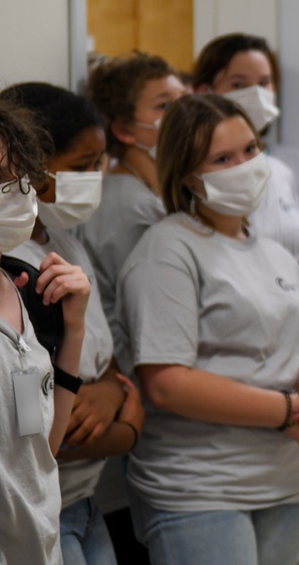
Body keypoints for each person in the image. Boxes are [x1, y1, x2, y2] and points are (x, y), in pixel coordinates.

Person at [116, 93, 299, 565]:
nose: (244, 165)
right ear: (187, 175)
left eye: (250, 150)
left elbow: (298, 363)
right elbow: (167, 384)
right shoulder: (169, 249)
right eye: (223, 158)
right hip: (200, 489)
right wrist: (287, 412)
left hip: (282, 481)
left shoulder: (274, 254)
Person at [3, 83, 145, 565]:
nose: (95, 177)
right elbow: (38, 436)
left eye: (99, 163)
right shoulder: (12, 271)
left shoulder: (63, 239)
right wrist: (129, 425)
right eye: (81, 165)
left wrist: (111, 390)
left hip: (87, 501)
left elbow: (96, 359)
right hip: (41, 509)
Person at [79, 51, 185, 564]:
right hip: (130, 403)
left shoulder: (157, 194)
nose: (182, 115)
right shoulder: (126, 205)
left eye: (184, 100)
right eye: (164, 105)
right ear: (123, 127)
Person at [0, 94, 90, 564]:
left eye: (21, 177)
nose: (20, 193)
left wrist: (74, 330)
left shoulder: (20, 289)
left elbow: (41, 447)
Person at [192, 33, 299, 276]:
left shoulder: (289, 166)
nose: (255, 94)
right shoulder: (196, 166)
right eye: (239, 85)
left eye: (264, 83)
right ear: (205, 90)